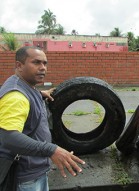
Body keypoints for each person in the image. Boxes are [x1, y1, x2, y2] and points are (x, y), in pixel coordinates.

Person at [0, 46, 85, 191]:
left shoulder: (25, 87)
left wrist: (39, 95)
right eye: (36, 63)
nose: (43, 68)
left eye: (45, 63)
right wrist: (51, 150)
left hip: (34, 171)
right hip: (24, 178)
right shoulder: (16, 97)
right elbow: (8, 137)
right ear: (19, 66)